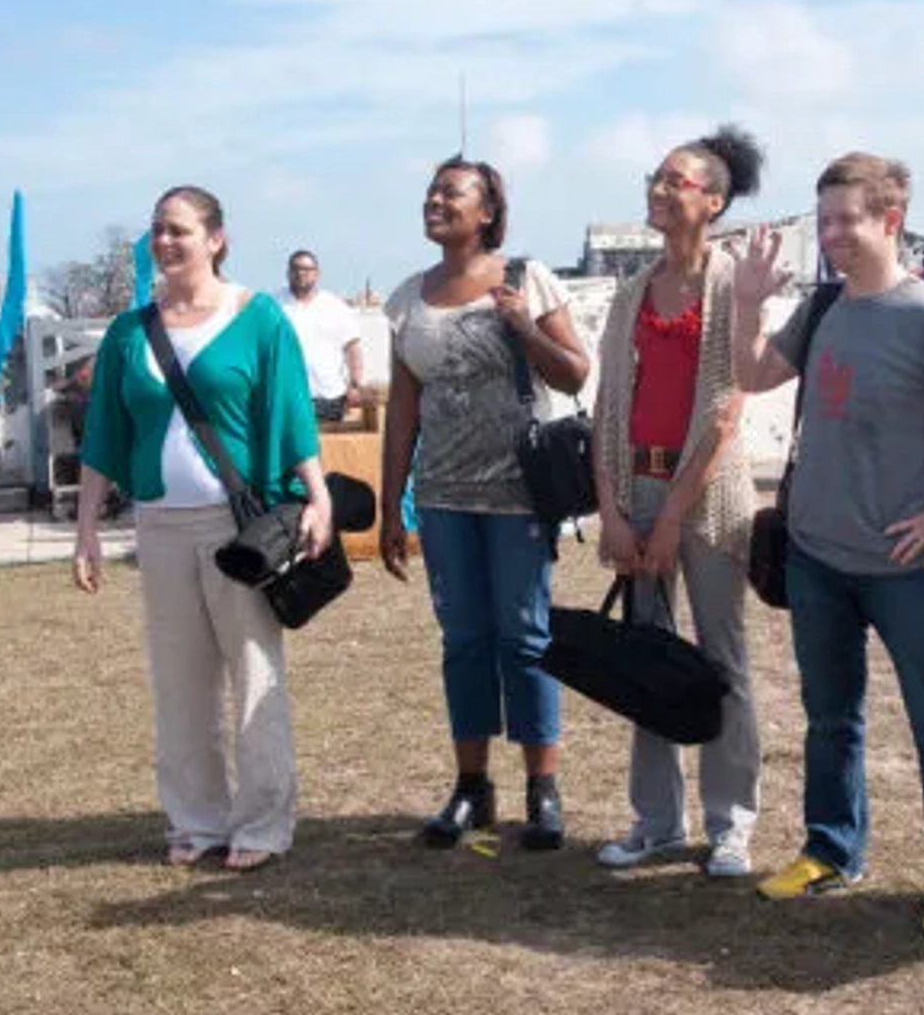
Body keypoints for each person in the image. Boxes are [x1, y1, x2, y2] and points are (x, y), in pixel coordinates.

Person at [732, 152, 924, 939]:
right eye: (822, 218)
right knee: (830, 715)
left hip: (907, 564)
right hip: (817, 557)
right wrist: (747, 303)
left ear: (890, 220)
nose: (830, 234)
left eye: (847, 219)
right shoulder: (825, 305)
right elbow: (753, 373)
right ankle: (831, 848)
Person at [72, 184, 333, 873]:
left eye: (179, 229)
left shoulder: (259, 319)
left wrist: (317, 495)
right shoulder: (132, 331)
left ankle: (264, 821)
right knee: (180, 682)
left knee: (252, 673)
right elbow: (104, 431)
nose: (165, 241)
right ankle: (196, 819)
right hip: (158, 525)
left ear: (216, 238)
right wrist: (88, 526)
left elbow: (292, 411)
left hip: (236, 526)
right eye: (158, 229)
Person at [379, 156, 592, 852]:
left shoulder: (525, 277)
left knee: (524, 636)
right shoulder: (408, 298)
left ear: (488, 212)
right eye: (431, 190)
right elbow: (404, 410)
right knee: (463, 640)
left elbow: (576, 369)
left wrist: (525, 327)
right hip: (442, 497)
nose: (434, 200)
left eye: (452, 193)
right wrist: (391, 507)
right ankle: (473, 787)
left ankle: (543, 788)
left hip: (517, 494)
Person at [590, 125, 765, 879]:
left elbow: (726, 407)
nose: (659, 191)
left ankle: (732, 823)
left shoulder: (730, 287)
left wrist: (670, 518)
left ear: (713, 201)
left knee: (722, 657)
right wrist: (613, 505)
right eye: (655, 179)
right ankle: (658, 818)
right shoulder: (632, 292)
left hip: (709, 495)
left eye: (676, 181)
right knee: (645, 657)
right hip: (638, 485)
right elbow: (606, 407)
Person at [275, 249, 366, 424]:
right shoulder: (273, 305)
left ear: (317, 273)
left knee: (328, 450)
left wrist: (355, 385)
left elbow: (352, 348)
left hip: (329, 396)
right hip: (285, 396)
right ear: (288, 272)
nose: (301, 273)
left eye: (307, 269)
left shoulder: (334, 306)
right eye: (296, 268)